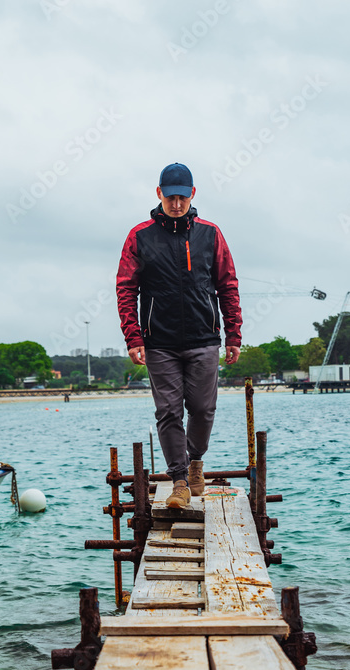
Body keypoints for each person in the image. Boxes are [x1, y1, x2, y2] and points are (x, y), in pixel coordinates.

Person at [116, 163, 242, 508]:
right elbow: (126, 289)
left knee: (202, 408)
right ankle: (180, 482)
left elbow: (227, 285)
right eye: (170, 197)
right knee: (169, 412)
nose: (176, 204)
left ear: (192, 195)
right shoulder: (139, 236)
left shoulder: (210, 234)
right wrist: (134, 337)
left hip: (204, 338)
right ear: (159, 194)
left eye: (182, 197)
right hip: (160, 342)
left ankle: (196, 460)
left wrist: (233, 334)